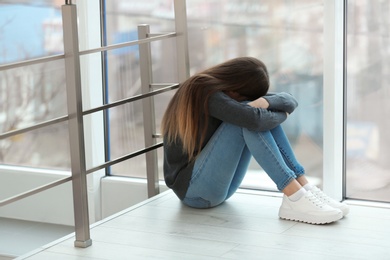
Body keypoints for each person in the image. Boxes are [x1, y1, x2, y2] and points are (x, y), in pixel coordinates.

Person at [161, 57, 349, 224]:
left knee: (253, 114)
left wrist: (266, 104)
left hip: (217, 189)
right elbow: (254, 119)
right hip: (194, 192)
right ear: (237, 87)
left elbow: (290, 100)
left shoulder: (222, 89)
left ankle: (304, 188)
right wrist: (278, 113)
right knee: (249, 118)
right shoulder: (204, 91)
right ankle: (294, 196)